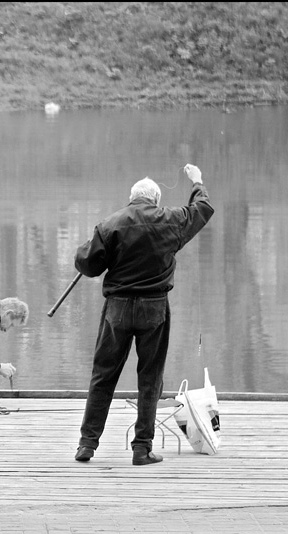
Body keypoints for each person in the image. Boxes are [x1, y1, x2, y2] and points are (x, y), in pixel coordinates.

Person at [73, 163, 214, 466]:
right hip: (153, 307)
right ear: (156, 201)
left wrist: (87, 248)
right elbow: (201, 209)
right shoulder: (171, 220)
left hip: (118, 308)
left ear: (131, 197)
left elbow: (88, 265)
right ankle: (142, 448)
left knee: (103, 376)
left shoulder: (110, 224)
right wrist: (197, 181)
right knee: (150, 379)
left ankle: (87, 445)